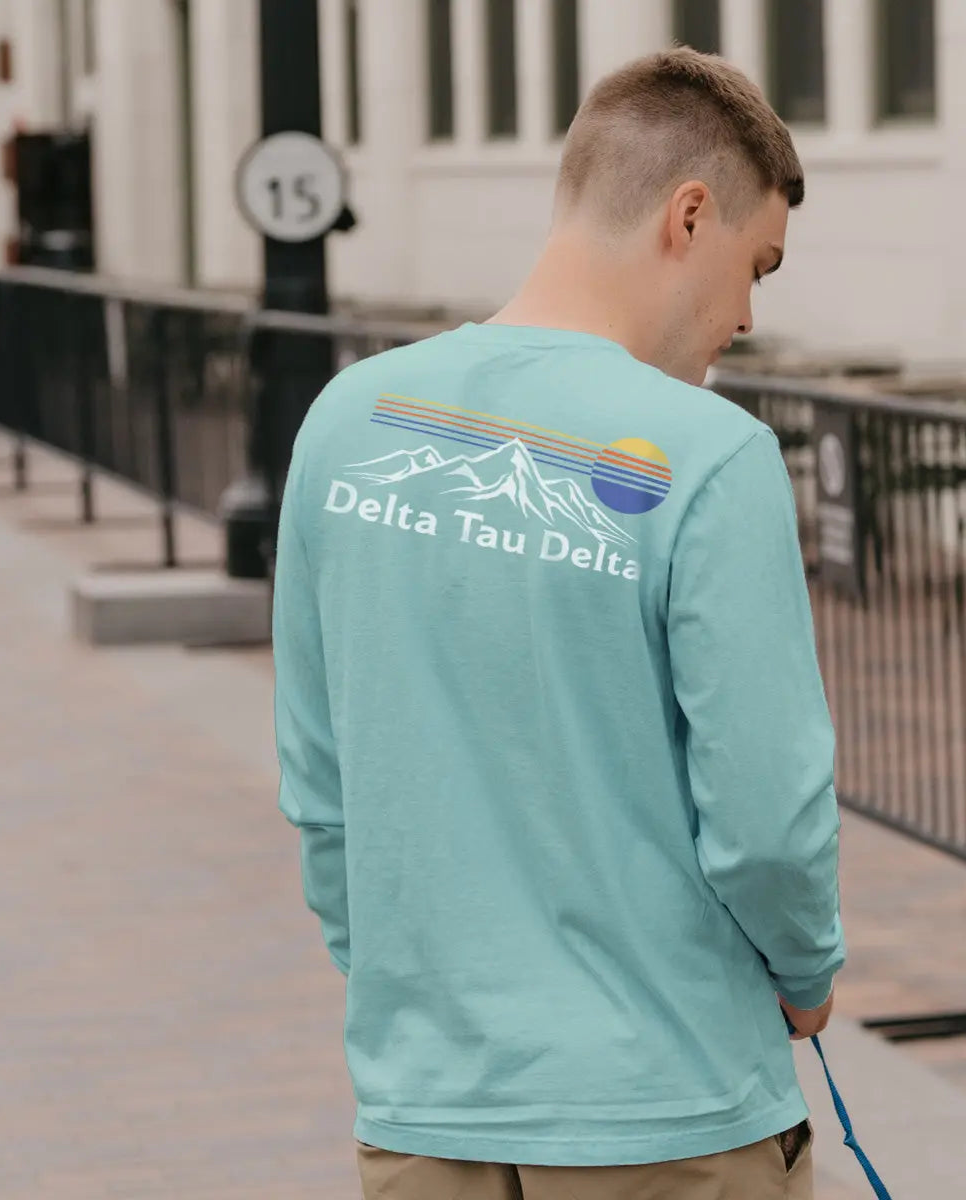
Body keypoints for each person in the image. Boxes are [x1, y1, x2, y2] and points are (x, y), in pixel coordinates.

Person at [273, 46, 845, 1200]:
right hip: (666, 1111)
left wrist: (416, 999)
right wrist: (808, 974)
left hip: (429, 1110)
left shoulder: (343, 424)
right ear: (690, 215)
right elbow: (767, 824)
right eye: (756, 268)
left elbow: (322, 787)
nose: (744, 317)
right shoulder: (711, 453)